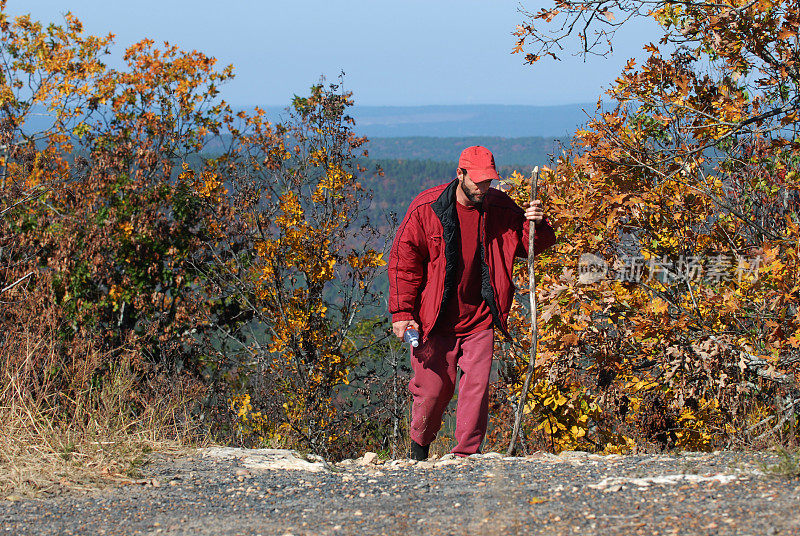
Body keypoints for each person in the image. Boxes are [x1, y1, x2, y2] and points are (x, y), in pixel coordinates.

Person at [388, 145, 556, 460]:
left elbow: (532, 245)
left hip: (479, 318)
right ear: (460, 174)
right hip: (434, 320)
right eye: (477, 181)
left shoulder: (499, 206)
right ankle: (418, 453)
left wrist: (537, 224)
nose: (483, 188)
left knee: (476, 392)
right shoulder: (427, 209)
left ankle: (465, 458)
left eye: (488, 181)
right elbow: (403, 263)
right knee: (433, 391)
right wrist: (402, 313)